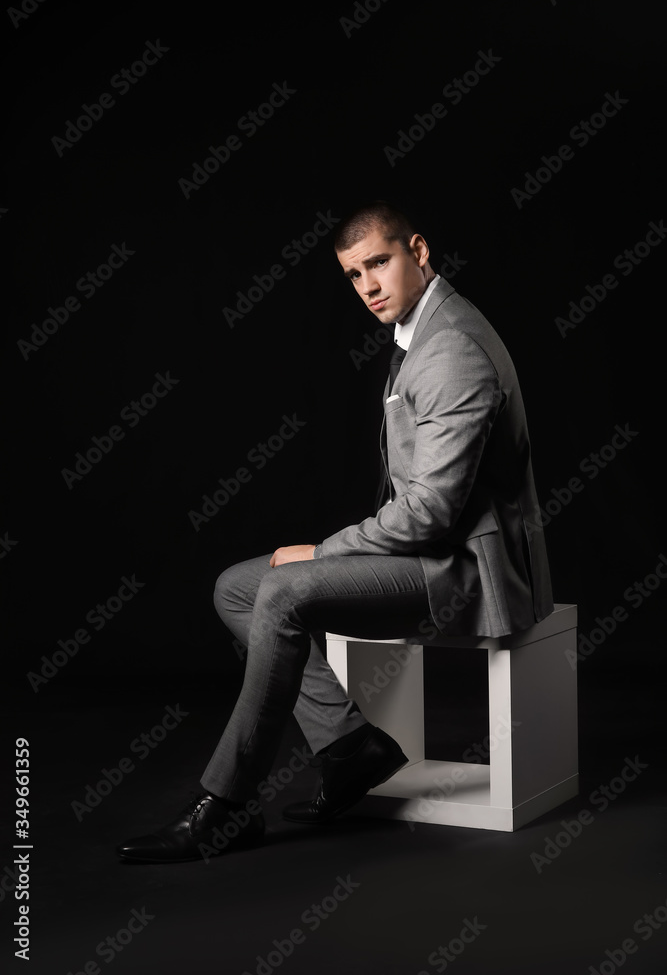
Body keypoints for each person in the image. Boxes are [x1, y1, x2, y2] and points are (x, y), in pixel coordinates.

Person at [117, 200, 553, 863]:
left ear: (418, 250)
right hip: (432, 551)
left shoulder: (450, 349)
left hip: (466, 569)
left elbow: (431, 512)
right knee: (238, 586)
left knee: (283, 591)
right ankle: (350, 747)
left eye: (379, 262)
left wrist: (321, 553)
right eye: (353, 275)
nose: (368, 286)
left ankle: (227, 807)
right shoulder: (424, 330)